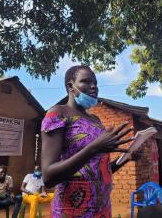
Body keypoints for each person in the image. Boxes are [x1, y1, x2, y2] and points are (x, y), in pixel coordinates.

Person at [41, 65, 136, 217]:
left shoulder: (96, 121)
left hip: (103, 210)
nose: (94, 87)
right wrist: (94, 148)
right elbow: (48, 177)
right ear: (71, 86)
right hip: (72, 212)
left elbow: (97, 170)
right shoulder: (58, 113)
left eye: (96, 83)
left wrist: (126, 159)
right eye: (86, 81)